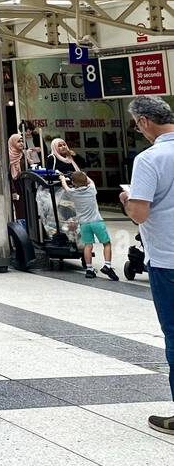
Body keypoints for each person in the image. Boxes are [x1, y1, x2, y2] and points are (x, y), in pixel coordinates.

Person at [119, 96, 174, 435]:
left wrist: (126, 199)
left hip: (168, 261)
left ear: (143, 122)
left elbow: (139, 212)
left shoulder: (150, 158)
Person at [60, 170, 117, 280]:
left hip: (84, 224)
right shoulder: (92, 189)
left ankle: (89, 269)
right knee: (107, 243)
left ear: (73, 183)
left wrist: (63, 179)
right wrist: (82, 174)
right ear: (86, 180)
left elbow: (65, 187)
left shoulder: (73, 193)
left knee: (88, 245)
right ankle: (107, 266)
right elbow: (90, 181)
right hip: (97, 222)